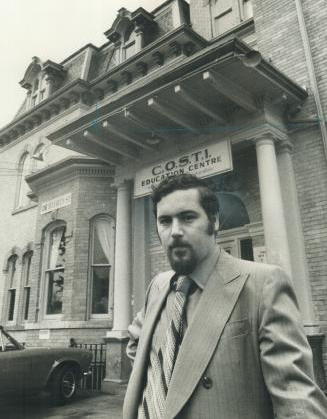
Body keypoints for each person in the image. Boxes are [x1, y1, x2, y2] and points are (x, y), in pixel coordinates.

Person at [123, 174, 327, 419]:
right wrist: (160, 376)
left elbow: (297, 401)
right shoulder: (159, 285)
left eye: (188, 217)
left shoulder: (264, 284)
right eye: (165, 221)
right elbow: (137, 342)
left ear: (215, 221)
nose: (175, 231)